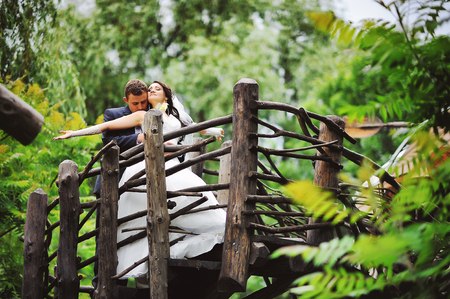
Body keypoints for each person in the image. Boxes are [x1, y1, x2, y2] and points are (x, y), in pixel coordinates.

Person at [54, 81, 226, 288]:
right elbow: (107, 133)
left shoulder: (168, 114)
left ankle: (169, 263)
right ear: (127, 100)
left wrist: (215, 132)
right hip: (126, 175)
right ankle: (107, 283)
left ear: (165, 95)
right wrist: (75, 133)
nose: (143, 103)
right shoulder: (132, 114)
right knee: (113, 230)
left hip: (166, 168)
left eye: (152, 93)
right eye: (139, 101)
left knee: (175, 209)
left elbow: (193, 128)